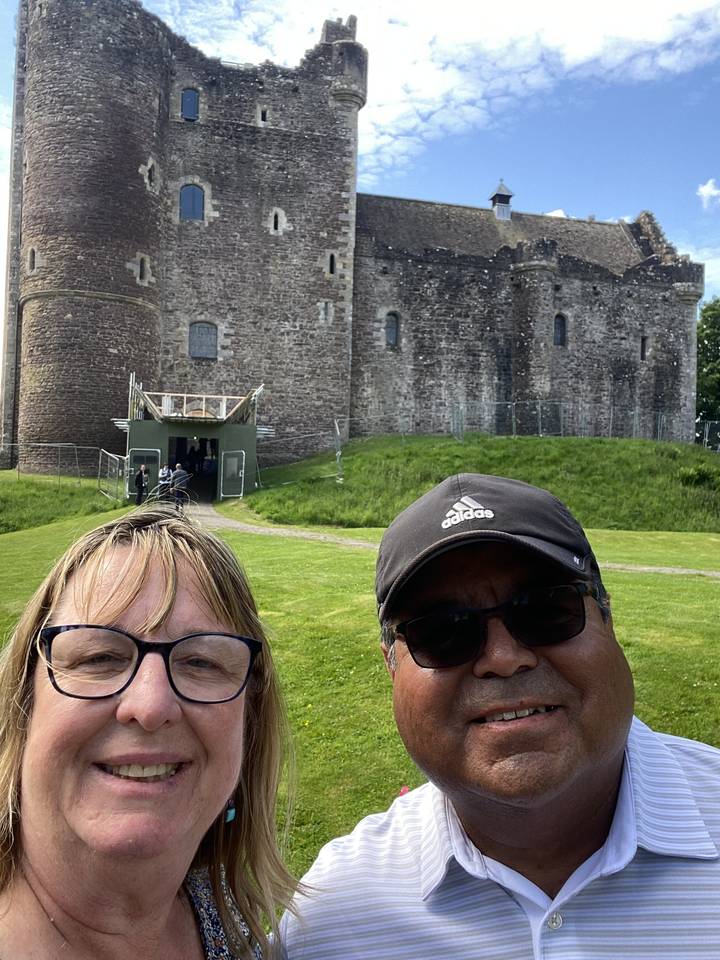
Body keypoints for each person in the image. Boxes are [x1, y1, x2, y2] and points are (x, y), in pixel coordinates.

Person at [281, 473, 720, 958]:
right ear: (390, 663)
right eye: (443, 632)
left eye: (546, 609)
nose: (504, 657)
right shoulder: (330, 922)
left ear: (608, 619)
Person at [0, 508, 295, 959]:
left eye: (202, 662)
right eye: (99, 657)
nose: (151, 705)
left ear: (247, 723)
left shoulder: (227, 924)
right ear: (25, 702)